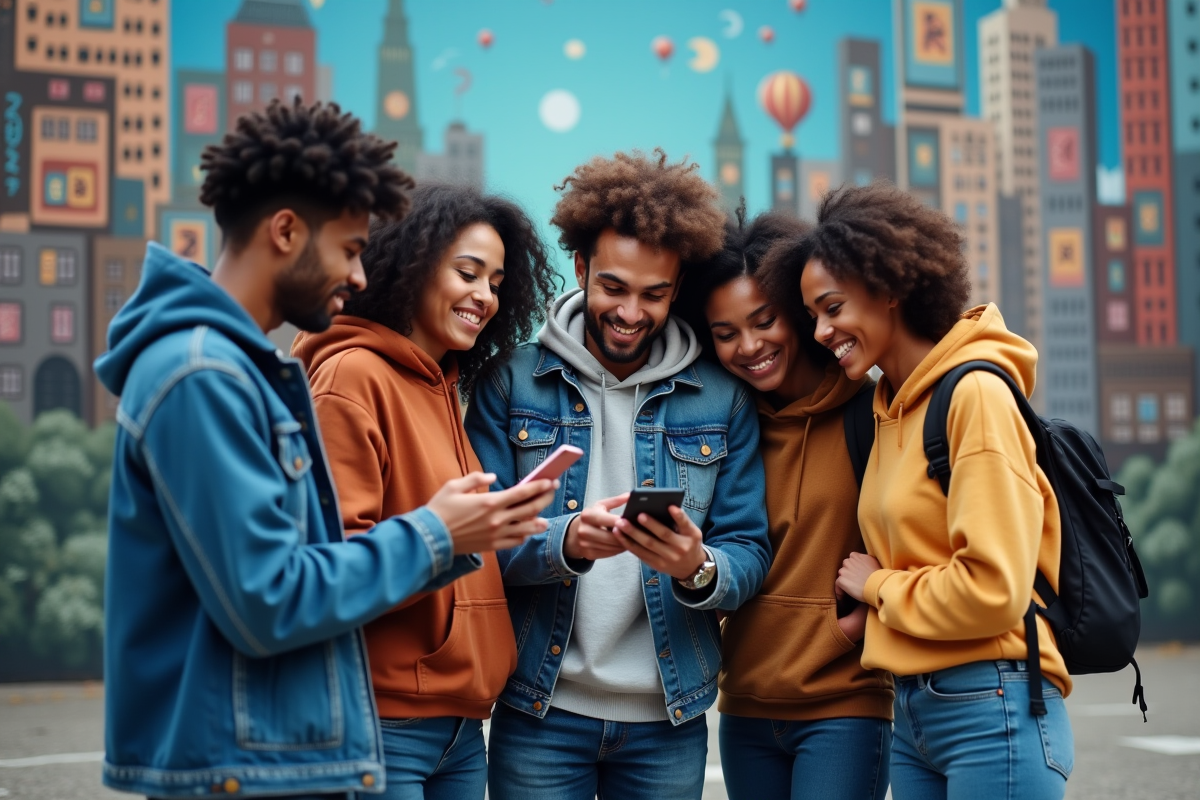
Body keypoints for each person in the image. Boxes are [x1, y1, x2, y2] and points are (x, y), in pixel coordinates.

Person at [95, 100, 556, 799]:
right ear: (286, 232)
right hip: (237, 763)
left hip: (267, 755)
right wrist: (438, 533)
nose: (363, 276)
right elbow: (269, 597)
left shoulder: (239, 371)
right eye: (348, 250)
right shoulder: (201, 377)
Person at [464, 150, 772, 800]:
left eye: (655, 295)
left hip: (669, 717)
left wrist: (698, 566)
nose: (632, 311)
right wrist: (565, 541)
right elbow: (477, 545)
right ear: (580, 268)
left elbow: (748, 549)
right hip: (539, 708)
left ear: (677, 287)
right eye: (614, 287)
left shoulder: (723, 399)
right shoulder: (510, 382)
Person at [789, 184, 1073, 799]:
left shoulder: (974, 396)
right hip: (915, 709)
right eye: (813, 314)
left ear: (890, 288)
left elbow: (993, 591)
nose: (820, 330)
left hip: (991, 703)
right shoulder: (886, 407)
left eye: (833, 307)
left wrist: (879, 586)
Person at [293, 183, 559, 800]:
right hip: (381, 725)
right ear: (409, 265)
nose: (484, 296)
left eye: (496, 281)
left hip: (460, 729)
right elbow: (331, 565)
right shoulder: (352, 377)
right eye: (467, 273)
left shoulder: (442, 384)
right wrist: (447, 534)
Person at [675, 208, 894, 800]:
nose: (749, 346)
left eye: (764, 320)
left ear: (798, 315)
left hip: (843, 706)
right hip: (743, 709)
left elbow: (913, 540)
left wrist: (853, 631)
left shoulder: (869, 413)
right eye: (725, 334)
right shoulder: (715, 428)